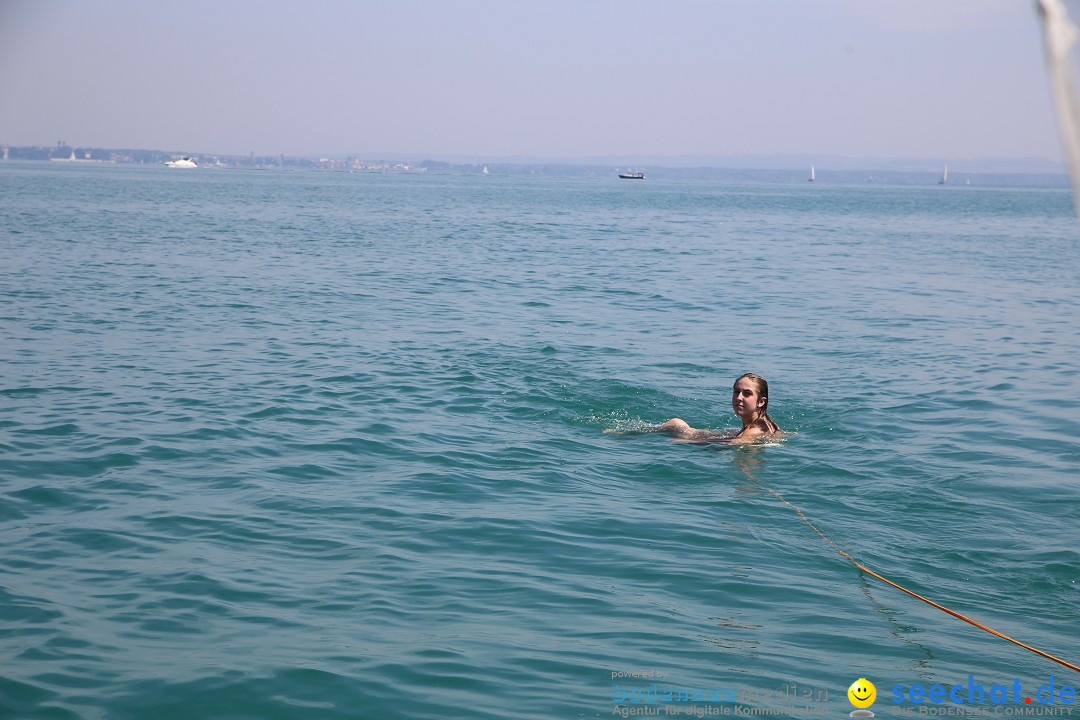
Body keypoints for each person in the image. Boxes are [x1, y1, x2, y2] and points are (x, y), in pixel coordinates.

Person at [657, 373, 780, 444]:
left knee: (677, 425)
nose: (739, 397)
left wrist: (686, 442)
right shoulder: (764, 424)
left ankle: (641, 436)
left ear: (761, 402)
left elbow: (729, 447)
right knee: (676, 423)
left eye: (747, 393)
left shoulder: (754, 431)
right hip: (726, 436)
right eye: (736, 392)